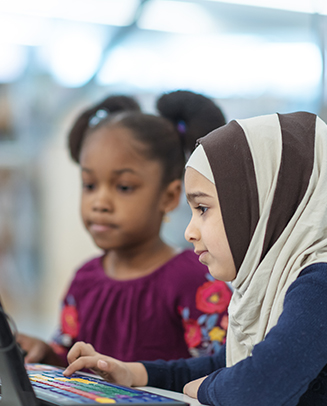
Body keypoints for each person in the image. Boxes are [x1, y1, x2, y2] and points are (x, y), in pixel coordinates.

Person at [63, 112, 327, 406]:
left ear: (262, 204)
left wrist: (205, 387)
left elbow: (260, 387)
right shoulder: (270, 285)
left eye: (203, 209)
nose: (190, 232)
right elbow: (223, 363)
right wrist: (132, 373)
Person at [18, 90, 233, 366]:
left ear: (168, 196)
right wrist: (46, 354)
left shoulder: (195, 280)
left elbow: (219, 369)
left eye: (123, 187)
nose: (100, 202)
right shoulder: (84, 280)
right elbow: (70, 359)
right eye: (90, 185)